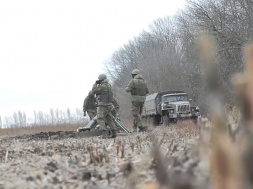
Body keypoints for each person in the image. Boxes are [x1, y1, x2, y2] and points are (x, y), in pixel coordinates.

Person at [92, 73, 117, 138]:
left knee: (100, 118)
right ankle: (114, 133)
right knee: (109, 119)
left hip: (103, 105)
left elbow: (94, 91)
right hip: (109, 105)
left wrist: (95, 84)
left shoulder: (103, 86)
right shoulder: (109, 86)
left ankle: (104, 134)